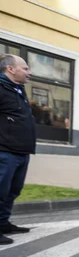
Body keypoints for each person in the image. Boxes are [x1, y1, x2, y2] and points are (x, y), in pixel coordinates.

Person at [0, 54, 35, 245]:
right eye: (25, 68)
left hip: (21, 150)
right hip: (5, 150)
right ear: (10, 69)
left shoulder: (18, 89)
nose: (29, 73)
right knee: (0, 190)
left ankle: (3, 223)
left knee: (13, 190)